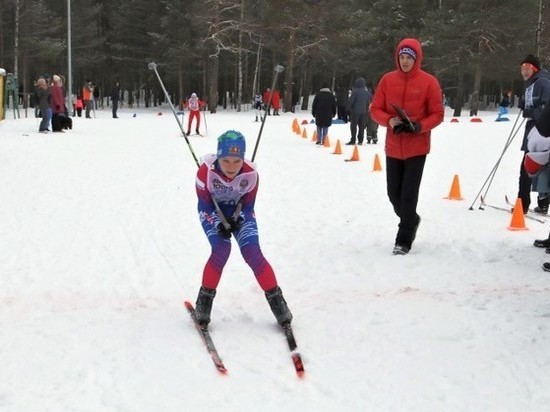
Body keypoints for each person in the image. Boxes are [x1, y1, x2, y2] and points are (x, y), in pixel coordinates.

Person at [194, 130, 293, 329]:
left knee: (253, 252)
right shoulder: (205, 172)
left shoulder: (251, 174)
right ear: (219, 157)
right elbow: (204, 205)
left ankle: (278, 304)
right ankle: (203, 304)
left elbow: (248, 205)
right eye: (226, 161)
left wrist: (237, 218)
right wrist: (218, 221)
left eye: (236, 162)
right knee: (222, 249)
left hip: (241, 212)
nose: (231, 167)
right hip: (212, 212)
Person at [370, 38, 444, 255]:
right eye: (401, 57)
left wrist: (419, 126)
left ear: (416, 59)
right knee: (394, 194)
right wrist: (390, 121)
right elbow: (375, 109)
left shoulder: (429, 82)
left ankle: (403, 239)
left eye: (408, 58)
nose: (404, 61)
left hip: (417, 147)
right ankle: (412, 219)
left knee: (409, 194)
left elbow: (438, 114)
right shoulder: (387, 80)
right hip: (393, 146)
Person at [516, 55, 550, 215]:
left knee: (529, 165)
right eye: (522, 68)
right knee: (538, 165)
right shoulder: (531, 83)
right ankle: (541, 204)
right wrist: (526, 105)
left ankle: (522, 204)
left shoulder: (542, 82)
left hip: (540, 130)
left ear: (534, 68)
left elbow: (546, 107)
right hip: (534, 127)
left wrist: (532, 111)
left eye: (527, 67)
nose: (523, 71)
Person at [345, 77, 371, 145]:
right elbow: (368, 102)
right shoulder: (367, 92)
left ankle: (353, 140)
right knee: (361, 126)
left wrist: (347, 109)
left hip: (355, 112)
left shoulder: (355, 92)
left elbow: (351, 101)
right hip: (364, 112)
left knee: (353, 126)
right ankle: (360, 140)